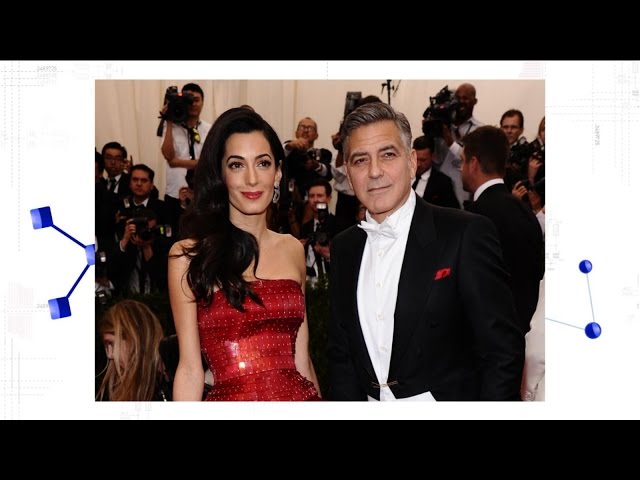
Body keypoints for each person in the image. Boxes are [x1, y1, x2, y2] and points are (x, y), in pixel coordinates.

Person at [329, 102, 524, 401]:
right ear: (348, 171)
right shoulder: (345, 247)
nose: (374, 171)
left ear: (411, 162)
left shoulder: (464, 234)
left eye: (387, 155)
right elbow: (341, 356)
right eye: (360, 160)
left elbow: (502, 352)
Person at [169, 107, 321, 401]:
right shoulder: (188, 257)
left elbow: (302, 360)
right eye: (237, 165)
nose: (252, 179)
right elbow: (189, 369)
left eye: (263, 163)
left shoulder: (292, 248)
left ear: (277, 173)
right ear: (221, 174)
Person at [461, 126, 544, 335]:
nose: (461, 169)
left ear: (473, 164)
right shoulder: (525, 211)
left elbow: (474, 287)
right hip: (524, 330)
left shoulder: (476, 216)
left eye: (462, 161)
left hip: (490, 336)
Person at [96, 300, 176, 401]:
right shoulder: (112, 389)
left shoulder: (175, 371)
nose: (110, 355)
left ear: (134, 338)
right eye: (106, 346)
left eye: (112, 344)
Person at [160, 83, 212, 236]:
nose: (193, 104)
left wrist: (176, 162)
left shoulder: (209, 129)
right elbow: (168, 155)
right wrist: (169, 120)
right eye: (189, 100)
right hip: (175, 194)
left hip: (201, 195)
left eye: (196, 100)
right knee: (174, 239)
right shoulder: (171, 127)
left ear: (203, 102)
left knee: (201, 238)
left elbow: (208, 161)